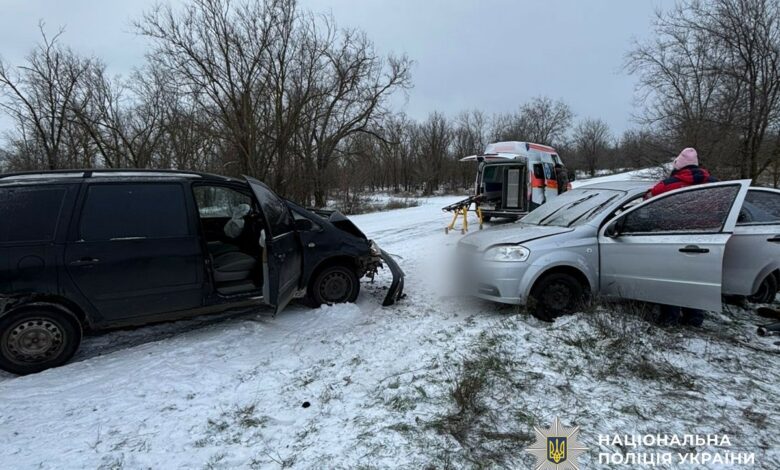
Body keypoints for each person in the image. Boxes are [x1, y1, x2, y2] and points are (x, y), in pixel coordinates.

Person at [647, 147, 718, 327]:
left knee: (671, 279)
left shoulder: (667, 185)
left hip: (674, 240)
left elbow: (648, 201)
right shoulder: (715, 184)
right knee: (696, 279)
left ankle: (669, 318)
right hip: (707, 241)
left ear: (678, 165)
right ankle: (694, 318)